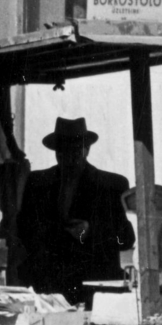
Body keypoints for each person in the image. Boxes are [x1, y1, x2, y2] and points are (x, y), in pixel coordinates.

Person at [15, 117, 135, 306]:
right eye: (62, 150)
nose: (68, 156)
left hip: (93, 289)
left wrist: (91, 232)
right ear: (56, 152)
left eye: (74, 149)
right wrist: (54, 232)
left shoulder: (111, 185)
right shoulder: (38, 183)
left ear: (86, 150)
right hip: (48, 289)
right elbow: (23, 230)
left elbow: (125, 239)